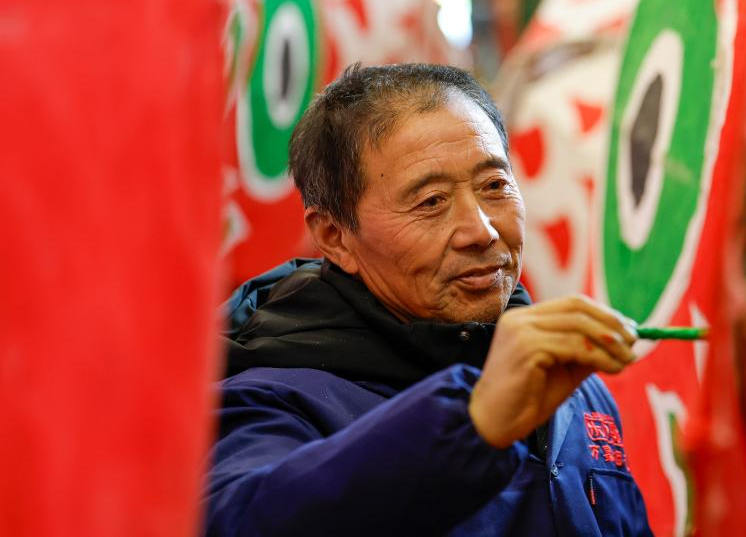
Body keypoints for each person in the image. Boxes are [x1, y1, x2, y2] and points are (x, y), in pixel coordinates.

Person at [203, 64, 653, 536]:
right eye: (432, 201)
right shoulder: (272, 400)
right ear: (335, 237)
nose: (481, 231)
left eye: (494, 186)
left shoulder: (567, 380)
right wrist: (471, 425)